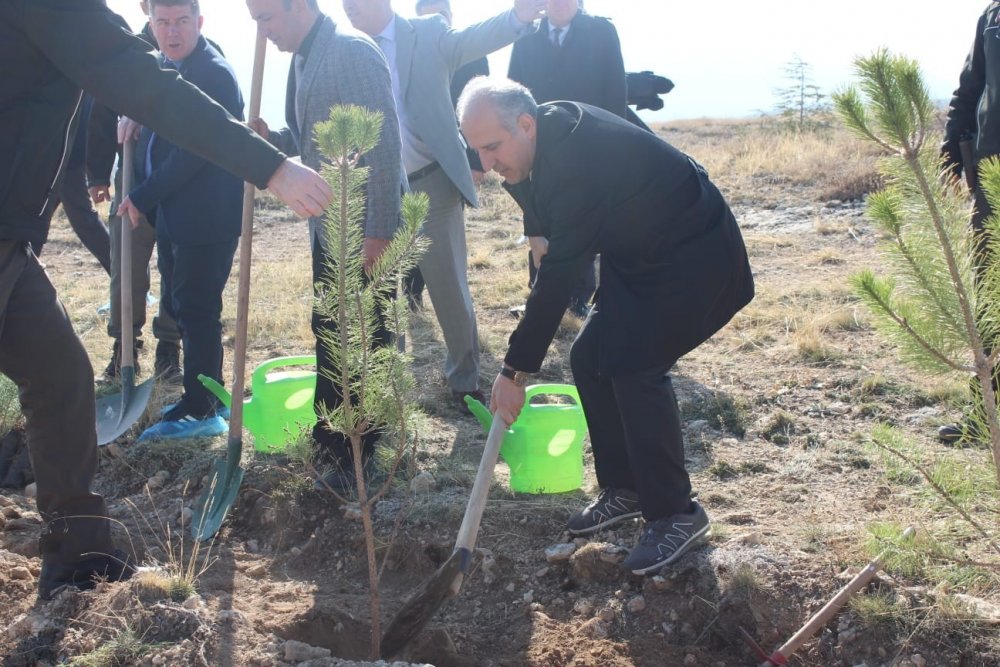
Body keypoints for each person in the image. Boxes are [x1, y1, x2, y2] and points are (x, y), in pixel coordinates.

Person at [1, 0, 331, 599]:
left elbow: (129, 80)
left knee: (61, 378)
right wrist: (271, 167)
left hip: (11, 242)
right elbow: (148, 86)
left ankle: (78, 554)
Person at [459, 79, 754, 575]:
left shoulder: (574, 161)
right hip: (639, 256)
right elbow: (540, 211)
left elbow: (558, 278)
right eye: (477, 151)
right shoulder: (534, 139)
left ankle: (678, 515)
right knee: (590, 356)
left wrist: (513, 371)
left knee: (635, 365)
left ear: (525, 125)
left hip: (697, 258)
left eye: (492, 148)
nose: (486, 166)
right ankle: (627, 488)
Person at [341, 0, 546, 409]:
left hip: (430, 183)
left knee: (448, 286)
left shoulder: (428, 33)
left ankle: (464, 380)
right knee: (379, 286)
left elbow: (475, 39)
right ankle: (385, 380)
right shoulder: (346, 48)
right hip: (376, 188)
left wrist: (519, 16)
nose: (349, 7)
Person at [244, 0, 402, 491]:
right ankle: (332, 443)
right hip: (330, 226)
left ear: (294, 6)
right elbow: (320, 141)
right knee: (332, 334)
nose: (261, 30)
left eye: (265, 16)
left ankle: (360, 456)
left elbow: (381, 146)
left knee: (360, 338)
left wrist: (377, 233)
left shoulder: (350, 51)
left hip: (362, 231)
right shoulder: (306, 55)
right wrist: (276, 141)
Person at [117, 0, 245, 439]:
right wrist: (137, 114)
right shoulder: (171, 68)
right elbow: (159, 111)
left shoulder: (213, 74)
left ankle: (202, 408)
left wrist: (141, 195)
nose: (172, 32)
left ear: (199, 22)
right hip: (178, 215)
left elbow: (191, 154)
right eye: (163, 23)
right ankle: (203, 393)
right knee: (183, 306)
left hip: (207, 217)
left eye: (182, 22)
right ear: (151, 25)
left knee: (196, 308)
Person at [507, 0, 627, 320]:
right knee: (538, 216)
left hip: (588, 144)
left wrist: (612, 146)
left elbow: (615, 93)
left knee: (580, 218)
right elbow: (512, 91)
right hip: (538, 145)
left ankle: (577, 297)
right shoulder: (526, 35)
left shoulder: (602, 32)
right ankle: (540, 294)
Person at [87, 1, 184, 383]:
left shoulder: (196, 50)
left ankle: (169, 349)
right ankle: (123, 346)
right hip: (133, 176)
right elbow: (100, 108)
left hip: (177, 178)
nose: (169, 27)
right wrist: (97, 174)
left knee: (174, 265)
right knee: (126, 263)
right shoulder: (126, 48)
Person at [404, 0, 491, 309]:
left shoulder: (470, 49)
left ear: (451, 15)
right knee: (412, 228)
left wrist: (476, 162)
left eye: (442, 13)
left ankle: (452, 298)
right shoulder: (403, 50)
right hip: (414, 160)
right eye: (429, 15)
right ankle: (411, 291)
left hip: (454, 160)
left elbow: (483, 111)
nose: (436, 20)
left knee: (447, 234)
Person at [940, 1, 1000, 444]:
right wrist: (949, 152)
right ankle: (986, 412)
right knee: (990, 295)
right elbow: (971, 85)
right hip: (993, 177)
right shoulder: (993, 13)